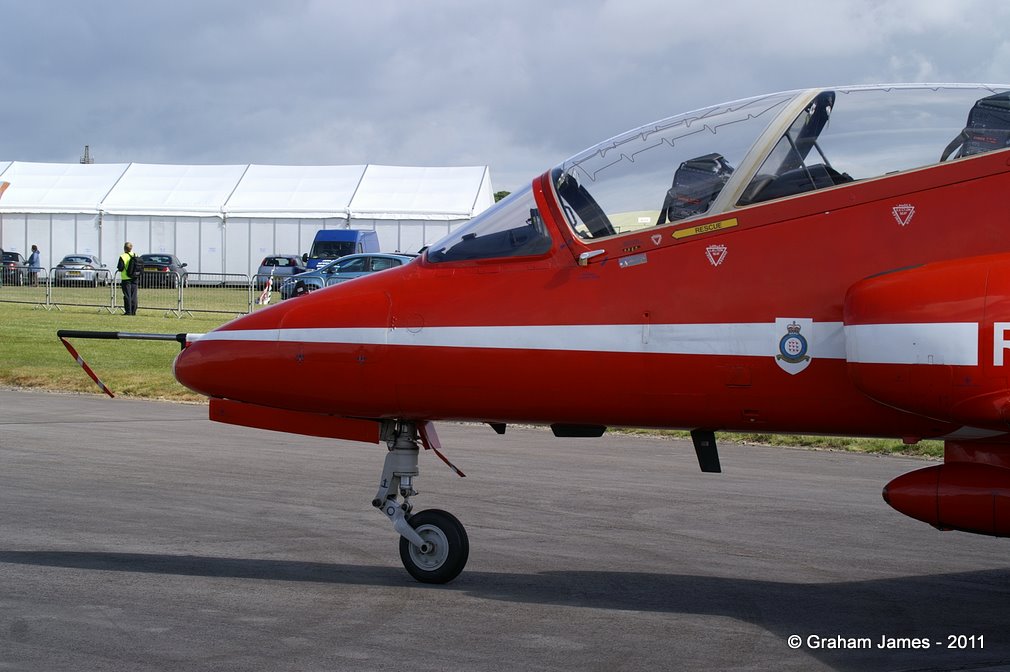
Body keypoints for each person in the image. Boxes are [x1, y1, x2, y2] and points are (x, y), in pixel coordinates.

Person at [117, 242, 139, 315]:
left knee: (127, 295)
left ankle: (128, 311)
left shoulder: (123, 256)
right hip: (135, 277)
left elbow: (120, 268)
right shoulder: (136, 255)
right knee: (134, 295)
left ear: (124, 248)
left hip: (126, 278)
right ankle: (133, 311)